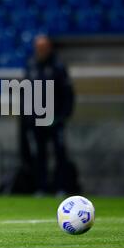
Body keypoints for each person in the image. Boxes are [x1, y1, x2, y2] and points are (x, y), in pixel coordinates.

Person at [20, 34, 79, 196]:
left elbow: (67, 94)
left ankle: (61, 187)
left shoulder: (58, 67)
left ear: (49, 48)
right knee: (39, 155)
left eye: (43, 47)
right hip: (36, 120)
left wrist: (62, 116)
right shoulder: (31, 65)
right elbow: (26, 92)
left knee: (60, 154)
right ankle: (41, 187)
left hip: (55, 119)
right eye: (38, 47)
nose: (41, 50)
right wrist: (28, 117)